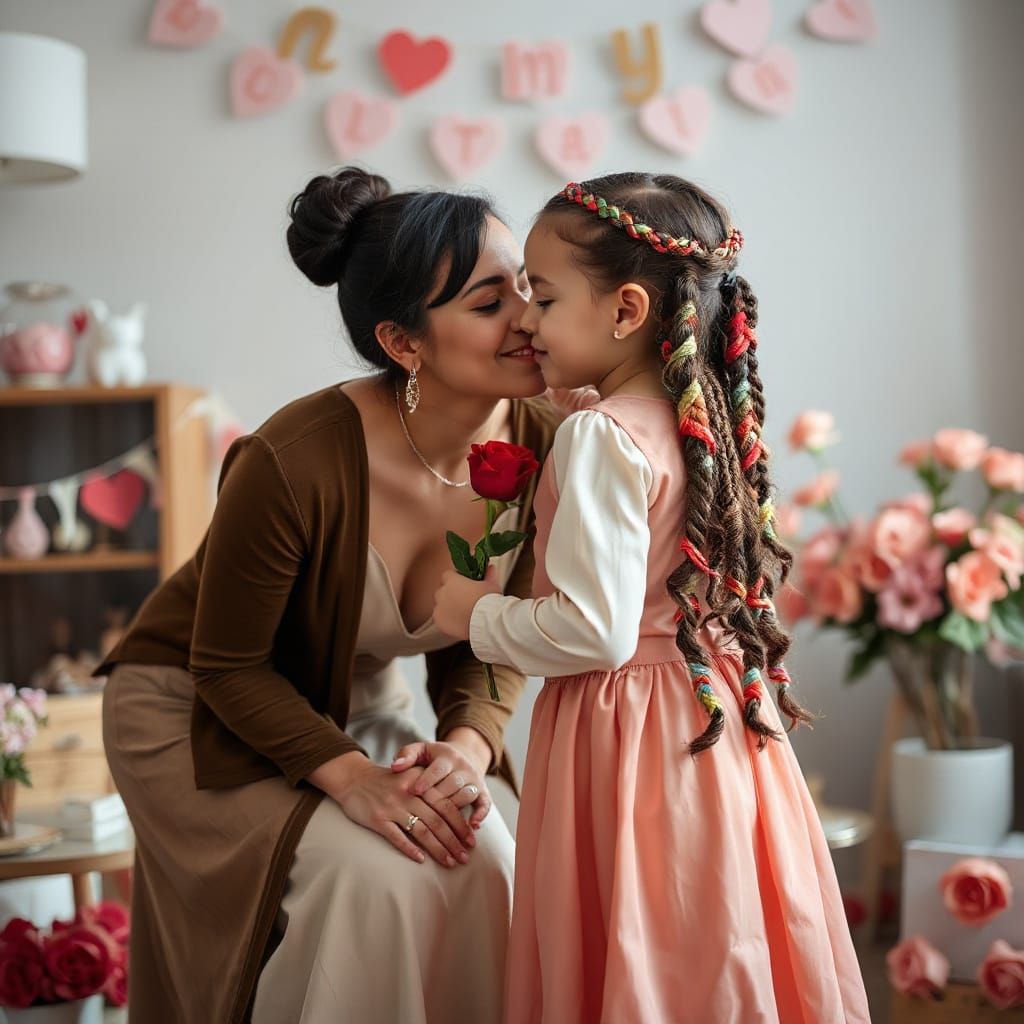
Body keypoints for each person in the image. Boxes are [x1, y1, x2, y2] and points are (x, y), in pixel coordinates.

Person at [99, 166, 559, 1023]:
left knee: (490, 863)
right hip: (192, 709)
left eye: (528, 287)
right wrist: (354, 780)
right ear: (404, 343)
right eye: (490, 302)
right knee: (377, 881)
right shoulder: (291, 461)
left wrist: (464, 747)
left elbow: (502, 634)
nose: (529, 318)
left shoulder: (550, 445)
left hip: (355, 695)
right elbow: (228, 666)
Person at [433, 173, 871, 1023]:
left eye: (544, 298)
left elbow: (593, 632)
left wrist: (468, 612)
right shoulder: (694, 422)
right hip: (712, 711)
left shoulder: (600, 438)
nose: (526, 322)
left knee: (643, 936)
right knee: (711, 935)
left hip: (629, 734)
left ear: (626, 310)